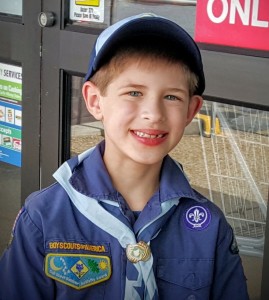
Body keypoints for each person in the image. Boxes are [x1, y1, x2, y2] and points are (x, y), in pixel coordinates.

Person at [0, 13, 249, 300]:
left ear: (191, 111)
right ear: (95, 101)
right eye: (133, 92)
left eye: (171, 97)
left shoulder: (209, 226)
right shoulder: (44, 217)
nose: (153, 114)